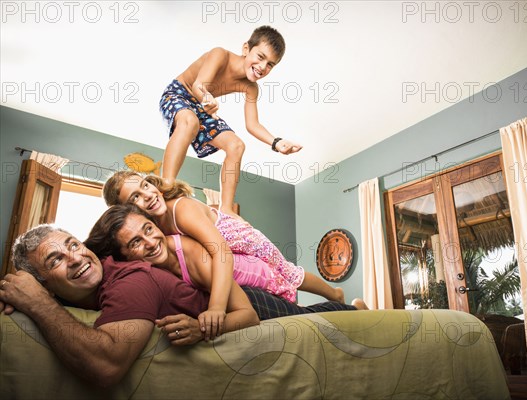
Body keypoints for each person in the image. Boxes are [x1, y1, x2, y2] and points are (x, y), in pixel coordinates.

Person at [0, 225, 361, 386]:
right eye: (56, 259)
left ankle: (354, 309)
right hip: (225, 302)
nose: (76, 257)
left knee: (316, 320)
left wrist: (38, 304)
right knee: (310, 316)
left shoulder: (131, 280)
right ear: (43, 282)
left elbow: (105, 365)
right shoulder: (73, 288)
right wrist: (25, 296)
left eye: (74, 244)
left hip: (249, 303)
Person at [103, 170, 345, 306]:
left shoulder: (181, 209)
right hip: (229, 249)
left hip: (245, 240)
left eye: (145, 185)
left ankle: (334, 296)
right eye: (135, 197)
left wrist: (217, 308)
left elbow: (221, 252)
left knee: (288, 273)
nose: (147, 195)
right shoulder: (153, 228)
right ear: (128, 211)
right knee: (269, 282)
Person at [159, 25, 302, 216]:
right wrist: (205, 97)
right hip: (179, 94)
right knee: (189, 121)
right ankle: (166, 187)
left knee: (236, 145)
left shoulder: (251, 87)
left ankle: (226, 210)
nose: (262, 67)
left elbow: (252, 124)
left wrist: (276, 142)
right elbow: (198, 85)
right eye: (260, 57)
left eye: (270, 64)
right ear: (246, 49)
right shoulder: (220, 55)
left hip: (201, 106)